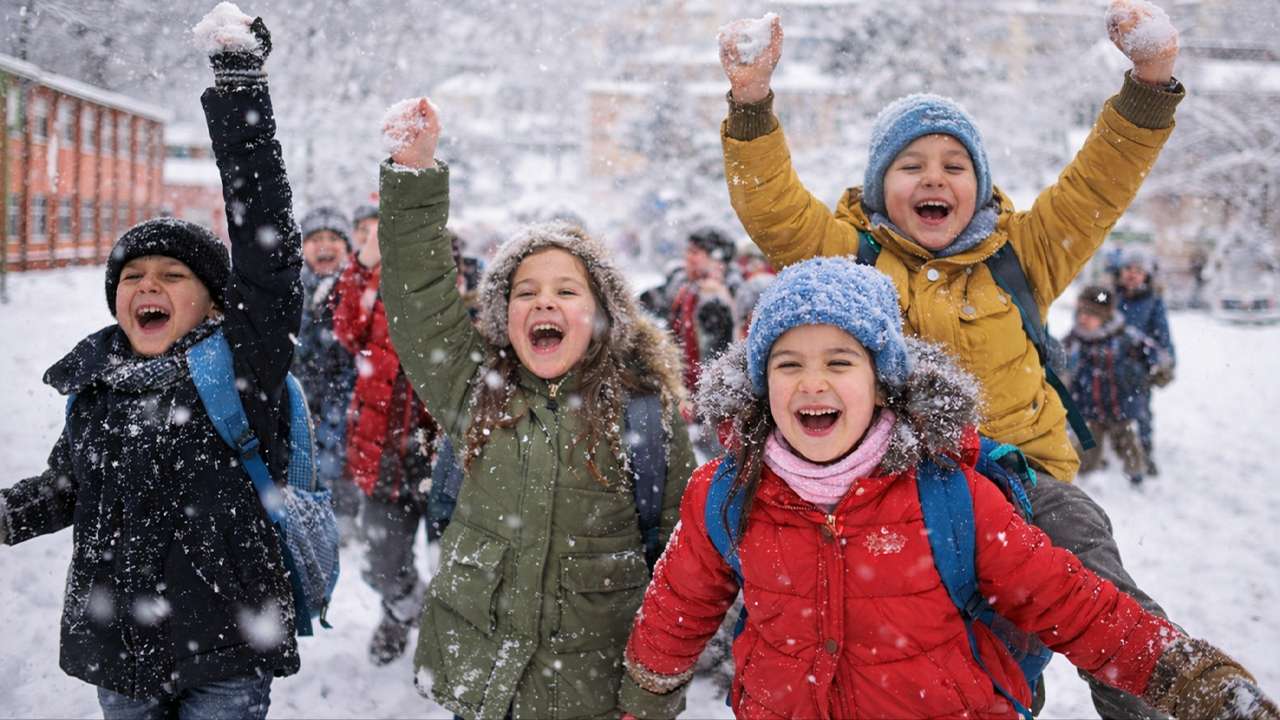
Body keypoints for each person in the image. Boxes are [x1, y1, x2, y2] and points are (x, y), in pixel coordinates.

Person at [715, 2, 1186, 715]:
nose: (934, 179)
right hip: (897, 490)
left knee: (1093, 585)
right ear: (879, 188)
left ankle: (1168, 696)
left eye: (953, 165)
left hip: (1025, 488)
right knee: (931, 658)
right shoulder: (851, 259)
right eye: (912, 166)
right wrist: (751, 100)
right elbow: (773, 208)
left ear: (980, 184)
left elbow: (1099, 182)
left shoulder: (1024, 254)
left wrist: (1150, 81)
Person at [619, 257, 1278, 720]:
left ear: (884, 382)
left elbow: (1077, 604)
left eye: (840, 362)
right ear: (761, 385)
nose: (811, 383)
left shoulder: (949, 494)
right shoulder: (727, 494)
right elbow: (671, 620)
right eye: (788, 364)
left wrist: (1197, 681)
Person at [0, 7, 302, 718]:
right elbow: (69, 486)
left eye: (172, 275)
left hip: (225, 654)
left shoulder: (241, 369)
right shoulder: (99, 386)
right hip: (121, 656)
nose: (148, 287)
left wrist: (239, 92)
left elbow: (268, 253)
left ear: (215, 304)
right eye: (133, 278)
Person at [375, 96, 697, 719]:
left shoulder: (644, 416)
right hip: (483, 692)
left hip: (596, 698)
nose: (543, 303)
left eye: (565, 290)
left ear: (602, 315)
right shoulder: (477, 394)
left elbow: (681, 574)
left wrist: (651, 694)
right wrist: (414, 174)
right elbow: (421, 302)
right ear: (504, 317)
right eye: (526, 292)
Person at [332, 205, 440, 666]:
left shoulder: (443, 276)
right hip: (383, 451)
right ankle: (408, 611)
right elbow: (347, 330)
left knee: (455, 565)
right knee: (381, 563)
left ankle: (431, 632)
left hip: (441, 454)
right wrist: (365, 266)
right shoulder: (368, 284)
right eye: (363, 233)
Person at [293, 206, 360, 537]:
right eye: (316, 238)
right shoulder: (290, 290)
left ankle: (344, 516)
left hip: (346, 396)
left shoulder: (359, 290)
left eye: (333, 238)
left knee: (341, 456)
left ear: (347, 248)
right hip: (302, 394)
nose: (324, 246)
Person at [1062, 285, 1170, 487]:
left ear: (1105, 317)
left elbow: (1156, 355)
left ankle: (1137, 478)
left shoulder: (1125, 338)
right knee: (1087, 449)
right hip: (1089, 409)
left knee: (1128, 446)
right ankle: (1086, 477)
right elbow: (1059, 363)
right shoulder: (1074, 340)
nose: (1083, 318)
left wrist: (1159, 371)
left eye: (1091, 314)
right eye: (1081, 313)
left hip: (1121, 408)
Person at [1112, 246, 1175, 475]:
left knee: (1140, 411)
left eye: (1138, 270)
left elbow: (1163, 336)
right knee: (1104, 407)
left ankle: (1145, 452)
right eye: (1128, 268)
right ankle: (1110, 449)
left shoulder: (1153, 301)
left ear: (1146, 275)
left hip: (1138, 368)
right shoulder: (1110, 295)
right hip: (1107, 364)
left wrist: (1165, 361)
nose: (1132, 274)